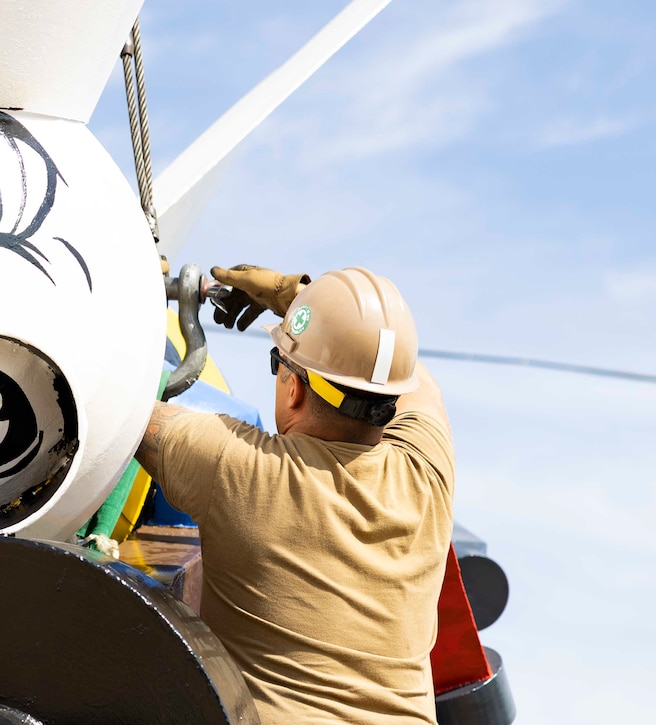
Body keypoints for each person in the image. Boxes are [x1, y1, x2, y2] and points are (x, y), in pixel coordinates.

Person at [134, 265, 454, 724]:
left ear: (295, 389)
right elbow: (421, 388)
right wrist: (309, 308)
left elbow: (117, 406)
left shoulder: (238, 468)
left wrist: (301, 305)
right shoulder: (426, 473)